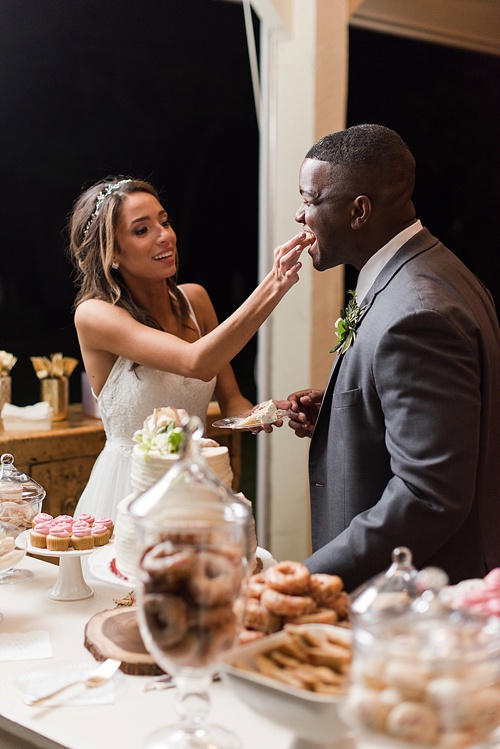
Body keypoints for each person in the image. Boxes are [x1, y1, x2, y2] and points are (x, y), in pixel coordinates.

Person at [285, 124, 500, 592]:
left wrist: (308, 575)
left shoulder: (416, 311)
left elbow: (427, 495)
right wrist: (347, 411)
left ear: (358, 210)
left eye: (309, 199)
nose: (299, 215)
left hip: (420, 599)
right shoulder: (435, 269)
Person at [68, 176, 309, 520]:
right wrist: (274, 284)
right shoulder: (95, 315)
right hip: (129, 492)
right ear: (112, 252)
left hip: (197, 486)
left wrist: (267, 413)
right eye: (142, 230)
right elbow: (196, 362)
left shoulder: (195, 300)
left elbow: (232, 402)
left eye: (163, 221)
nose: (164, 235)